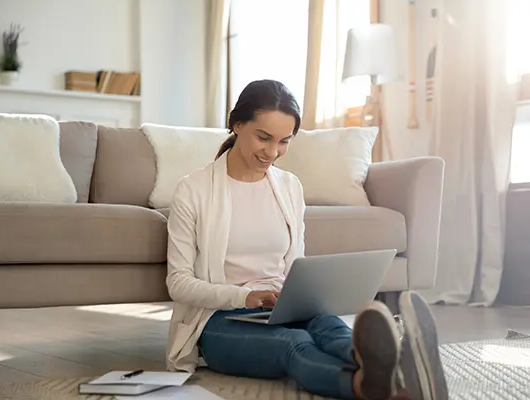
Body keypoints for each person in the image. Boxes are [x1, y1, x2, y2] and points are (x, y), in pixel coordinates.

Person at [165, 79, 449, 399]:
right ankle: (367, 385)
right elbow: (178, 283)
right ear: (236, 124)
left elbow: (295, 267)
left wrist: (301, 296)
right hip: (219, 321)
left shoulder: (289, 187)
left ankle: (390, 367)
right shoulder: (193, 190)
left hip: (283, 310)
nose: (273, 152)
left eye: (284, 141)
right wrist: (243, 297)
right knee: (294, 344)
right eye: (263, 137)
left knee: (327, 326)